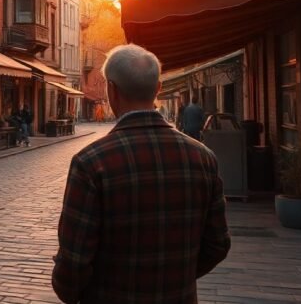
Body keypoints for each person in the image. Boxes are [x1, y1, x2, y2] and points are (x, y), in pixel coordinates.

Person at [52, 44, 230, 304]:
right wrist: (175, 277)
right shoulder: (203, 157)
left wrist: (71, 290)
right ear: (158, 89)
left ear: (111, 89)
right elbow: (217, 244)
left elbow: (74, 261)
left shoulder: (91, 163)